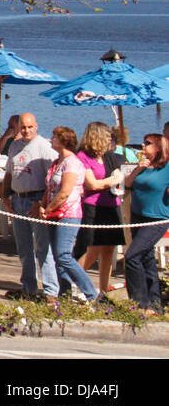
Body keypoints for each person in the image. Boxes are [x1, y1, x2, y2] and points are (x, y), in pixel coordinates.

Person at [0, 112, 59, 300]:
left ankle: (51, 290)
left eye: (29, 127)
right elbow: (9, 172)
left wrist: (41, 202)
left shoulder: (45, 147)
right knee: (23, 246)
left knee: (43, 247)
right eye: (23, 127)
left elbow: (52, 179)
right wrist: (5, 196)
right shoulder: (15, 146)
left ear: (36, 126)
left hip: (36, 199)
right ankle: (28, 287)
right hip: (18, 198)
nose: (26, 131)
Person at [41, 125, 99, 301]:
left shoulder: (72, 162)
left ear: (63, 141)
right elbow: (50, 188)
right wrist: (43, 206)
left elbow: (65, 191)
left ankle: (90, 292)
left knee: (64, 255)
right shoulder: (56, 162)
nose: (51, 140)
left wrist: (50, 208)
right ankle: (64, 294)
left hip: (68, 213)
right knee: (58, 256)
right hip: (53, 214)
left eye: (54, 137)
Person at [74, 121, 125, 293]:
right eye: (106, 136)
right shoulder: (83, 156)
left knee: (109, 250)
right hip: (93, 206)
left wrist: (113, 179)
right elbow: (92, 185)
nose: (109, 139)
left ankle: (103, 290)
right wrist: (111, 180)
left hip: (112, 204)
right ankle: (74, 285)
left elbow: (118, 173)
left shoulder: (108, 155)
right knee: (92, 249)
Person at [122, 132, 169, 315]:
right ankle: (155, 303)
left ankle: (139, 302)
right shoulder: (144, 166)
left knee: (132, 256)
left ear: (158, 147)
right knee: (146, 258)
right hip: (138, 216)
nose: (142, 146)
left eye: (147, 143)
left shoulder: (166, 167)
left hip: (157, 218)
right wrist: (137, 169)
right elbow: (127, 184)